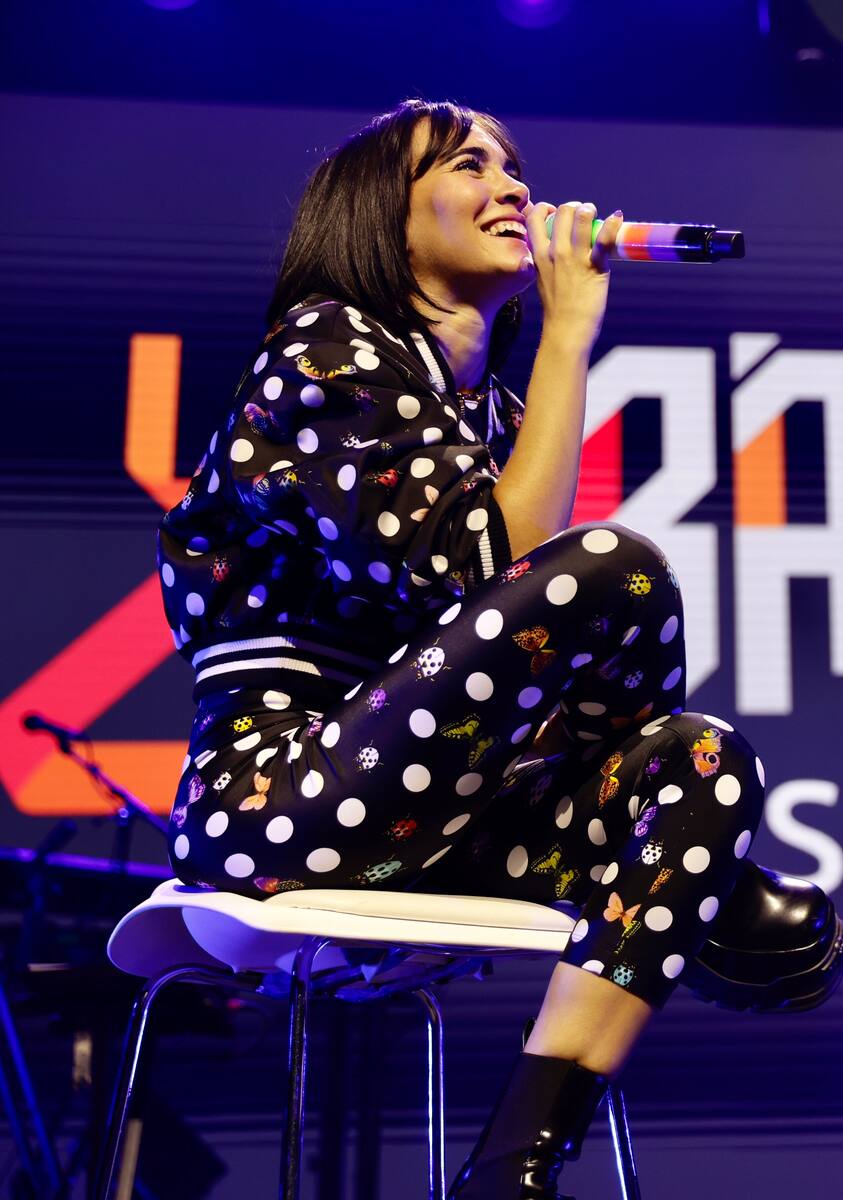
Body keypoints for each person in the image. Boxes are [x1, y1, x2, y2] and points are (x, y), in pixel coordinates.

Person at [156, 98, 771, 1198]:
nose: (514, 186)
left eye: (513, 164)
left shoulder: (485, 412)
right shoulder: (324, 349)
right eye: (468, 164)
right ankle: (702, 895)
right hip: (284, 800)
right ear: (379, 216)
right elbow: (487, 567)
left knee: (703, 761)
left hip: (434, 814)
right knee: (614, 569)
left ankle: (516, 1161)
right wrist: (573, 333)